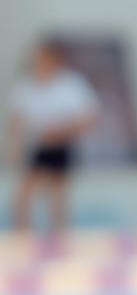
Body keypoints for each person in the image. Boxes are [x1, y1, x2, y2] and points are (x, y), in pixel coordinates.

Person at [5, 36, 101, 235]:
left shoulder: (70, 84)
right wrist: (13, 146)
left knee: (57, 194)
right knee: (23, 194)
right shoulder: (25, 86)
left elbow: (90, 117)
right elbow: (15, 121)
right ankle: (22, 236)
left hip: (61, 145)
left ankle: (59, 237)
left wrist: (62, 130)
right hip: (37, 146)